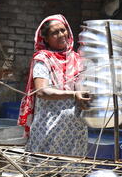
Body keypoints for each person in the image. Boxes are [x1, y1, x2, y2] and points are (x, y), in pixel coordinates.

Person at [18, 14, 91, 157]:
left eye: (63, 30)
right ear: (45, 38)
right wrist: (73, 95)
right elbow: (42, 91)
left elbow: (83, 88)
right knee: (39, 174)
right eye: (54, 33)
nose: (61, 35)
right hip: (48, 127)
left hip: (74, 129)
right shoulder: (42, 59)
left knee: (70, 176)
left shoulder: (77, 59)